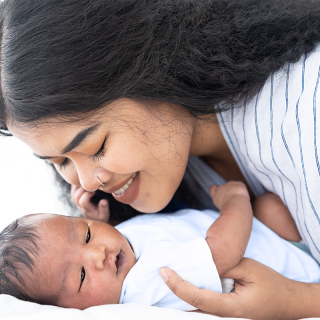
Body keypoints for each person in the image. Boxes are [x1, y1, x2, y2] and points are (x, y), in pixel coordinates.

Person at [1, 0, 320, 318]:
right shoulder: (178, 180)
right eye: (61, 162)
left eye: (97, 146)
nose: (87, 182)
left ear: (151, 71)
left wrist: (302, 301)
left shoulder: (308, 121)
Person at [1, 182, 319, 311]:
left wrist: (99, 220)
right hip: (289, 267)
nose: (98, 254)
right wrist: (235, 201)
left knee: (271, 207)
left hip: (267, 239)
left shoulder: (118, 254)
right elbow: (223, 251)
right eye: (82, 276)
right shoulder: (145, 283)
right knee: (270, 207)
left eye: (85, 234)